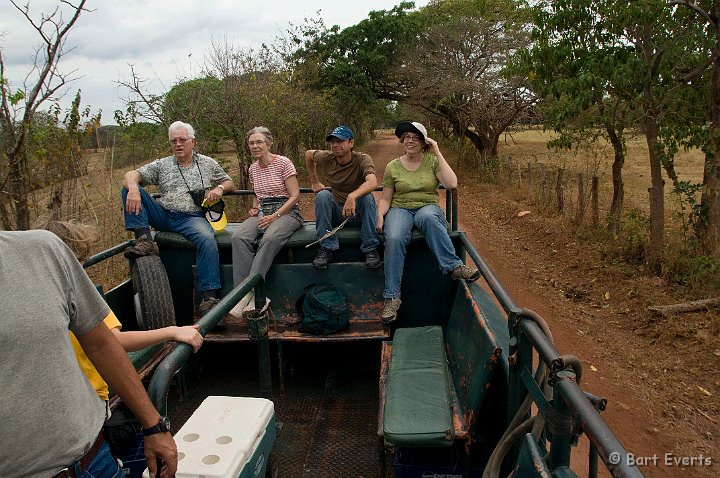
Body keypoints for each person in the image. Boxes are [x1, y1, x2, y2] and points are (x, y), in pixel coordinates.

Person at [0, 229, 178, 477]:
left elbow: (103, 343)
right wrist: (171, 331)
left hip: (92, 456)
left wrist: (153, 425)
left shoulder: (45, 250)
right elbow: (116, 339)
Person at [42, 220, 203, 404]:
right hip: (90, 399)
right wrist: (172, 331)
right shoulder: (80, 294)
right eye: (80, 263)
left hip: (58, 398)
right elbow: (114, 341)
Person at [122, 121, 234, 315]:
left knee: (207, 240)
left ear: (193, 142)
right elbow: (132, 174)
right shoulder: (163, 164)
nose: (178, 144)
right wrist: (133, 188)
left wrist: (219, 189)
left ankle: (209, 298)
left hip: (191, 218)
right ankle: (144, 239)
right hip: (164, 215)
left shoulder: (207, 163)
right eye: (174, 141)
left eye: (182, 140)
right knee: (128, 189)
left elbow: (228, 181)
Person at [377, 121, 480, 324]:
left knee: (430, 218)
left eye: (415, 137)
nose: (410, 140)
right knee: (395, 237)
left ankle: (453, 266)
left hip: (427, 206)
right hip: (400, 208)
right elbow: (386, 197)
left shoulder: (432, 161)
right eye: (406, 137)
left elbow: (451, 183)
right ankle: (392, 298)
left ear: (424, 142)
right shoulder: (393, 166)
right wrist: (380, 215)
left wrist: (438, 152)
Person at [229, 127, 303, 317]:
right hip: (263, 212)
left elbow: (295, 196)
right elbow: (257, 194)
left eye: (259, 142)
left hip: (287, 213)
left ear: (268, 143)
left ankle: (254, 291)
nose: (255, 146)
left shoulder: (283, 163)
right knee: (239, 237)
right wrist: (255, 207)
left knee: (269, 239)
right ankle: (241, 293)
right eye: (251, 143)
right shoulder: (252, 168)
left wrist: (275, 216)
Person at [305, 125, 381, 269]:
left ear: (351, 143)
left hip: (358, 213)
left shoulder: (362, 159)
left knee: (367, 198)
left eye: (340, 141)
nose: (335, 145)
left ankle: (370, 248)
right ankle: (327, 247)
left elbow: (373, 182)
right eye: (332, 142)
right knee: (323, 196)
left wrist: (352, 196)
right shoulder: (327, 158)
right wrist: (314, 181)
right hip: (338, 214)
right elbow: (309, 154)